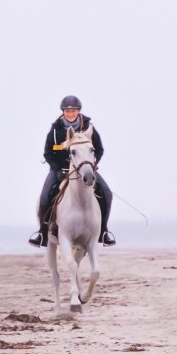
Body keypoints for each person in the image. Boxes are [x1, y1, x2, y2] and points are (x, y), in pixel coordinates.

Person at [28, 95, 115, 248]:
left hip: (85, 168)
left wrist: (92, 165)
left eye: (73, 111)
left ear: (78, 111)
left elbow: (99, 149)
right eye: (67, 111)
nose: (70, 113)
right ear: (63, 112)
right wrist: (57, 169)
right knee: (44, 197)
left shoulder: (89, 127)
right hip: (59, 170)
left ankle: (103, 231)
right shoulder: (55, 130)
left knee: (107, 193)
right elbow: (48, 153)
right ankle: (42, 233)